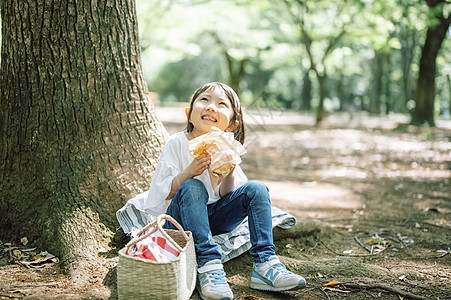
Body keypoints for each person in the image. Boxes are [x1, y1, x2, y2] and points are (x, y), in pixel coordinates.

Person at [144, 82, 306, 300]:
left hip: (215, 220)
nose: (211, 107)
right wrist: (188, 173)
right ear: (189, 114)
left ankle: (265, 264)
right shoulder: (177, 142)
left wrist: (228, 173)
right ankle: (209, 266)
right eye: (204, 100)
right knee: (194, 186)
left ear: (231, 124)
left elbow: (228, 196)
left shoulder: (226, 146)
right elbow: (162, 192)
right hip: (180, 218)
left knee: (256, 188)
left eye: (221, 104)